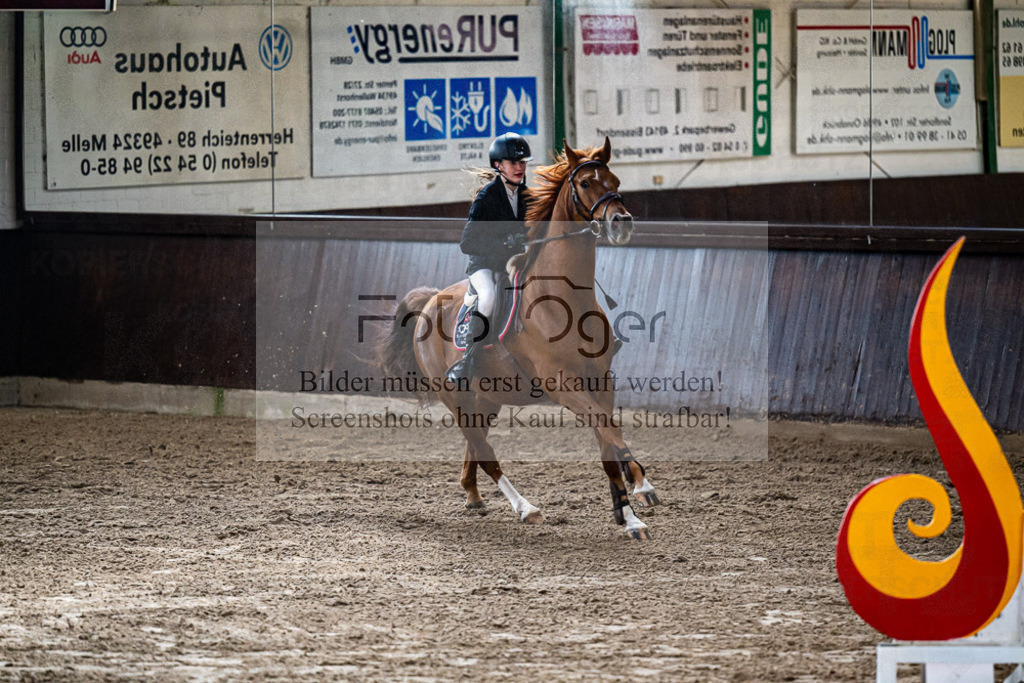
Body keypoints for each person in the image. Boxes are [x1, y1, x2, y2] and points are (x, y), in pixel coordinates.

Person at [445, 133, 533, 383]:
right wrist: (505, 243)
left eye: (523, 162)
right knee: (489, 297)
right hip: (483, 266)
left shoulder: (527, 195)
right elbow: (467, 243)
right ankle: (467, 362)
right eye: (513, 163)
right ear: (498, 166)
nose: (519, 167)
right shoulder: (487, 198)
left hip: (513, 265)